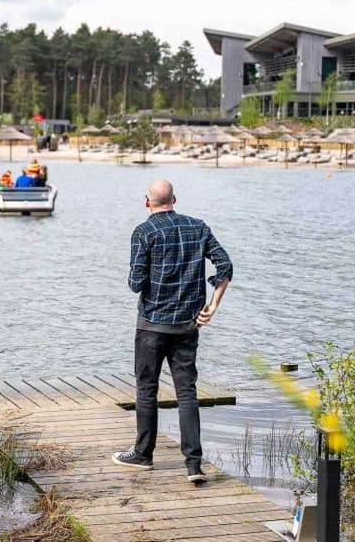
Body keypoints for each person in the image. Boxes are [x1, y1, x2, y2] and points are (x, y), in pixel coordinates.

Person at [113, 179, 232, 483]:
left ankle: (143, 454)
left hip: (152, 325)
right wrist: (212, 307)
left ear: (147, 202)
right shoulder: (199, 227)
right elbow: (225, 266)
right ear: (174, 199)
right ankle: (193, 465)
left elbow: (135, 284)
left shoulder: (144, 232)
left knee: (147, 389)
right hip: (188, 325)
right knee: (187, 393)